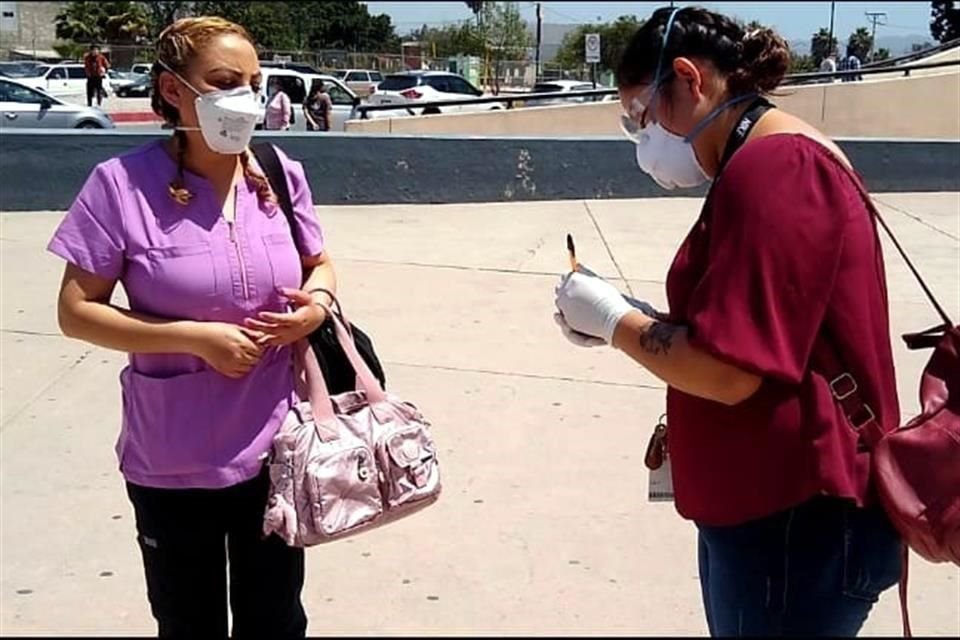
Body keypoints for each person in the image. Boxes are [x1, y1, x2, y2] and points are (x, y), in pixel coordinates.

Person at [554, 6, 902, 637]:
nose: (645, 136)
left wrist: (611, 320)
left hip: (794, 520)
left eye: (643, 115)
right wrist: (643, 319)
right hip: (770, 514)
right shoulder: (758, 164)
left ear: (688, 80)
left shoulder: (777, 170)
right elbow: (749, 325)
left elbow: (729, 370)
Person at [47, 16, 335, 637]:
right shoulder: (119, 186)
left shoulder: (278, 173)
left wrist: (316, 305)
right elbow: (76, 311)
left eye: (254, 82)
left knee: (276, 619)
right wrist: (192, 337)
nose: (247, 98)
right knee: (187, 622)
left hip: (276, 450)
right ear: (173, 89)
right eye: (226, 81)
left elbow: (320, 263)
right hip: (173, 457)